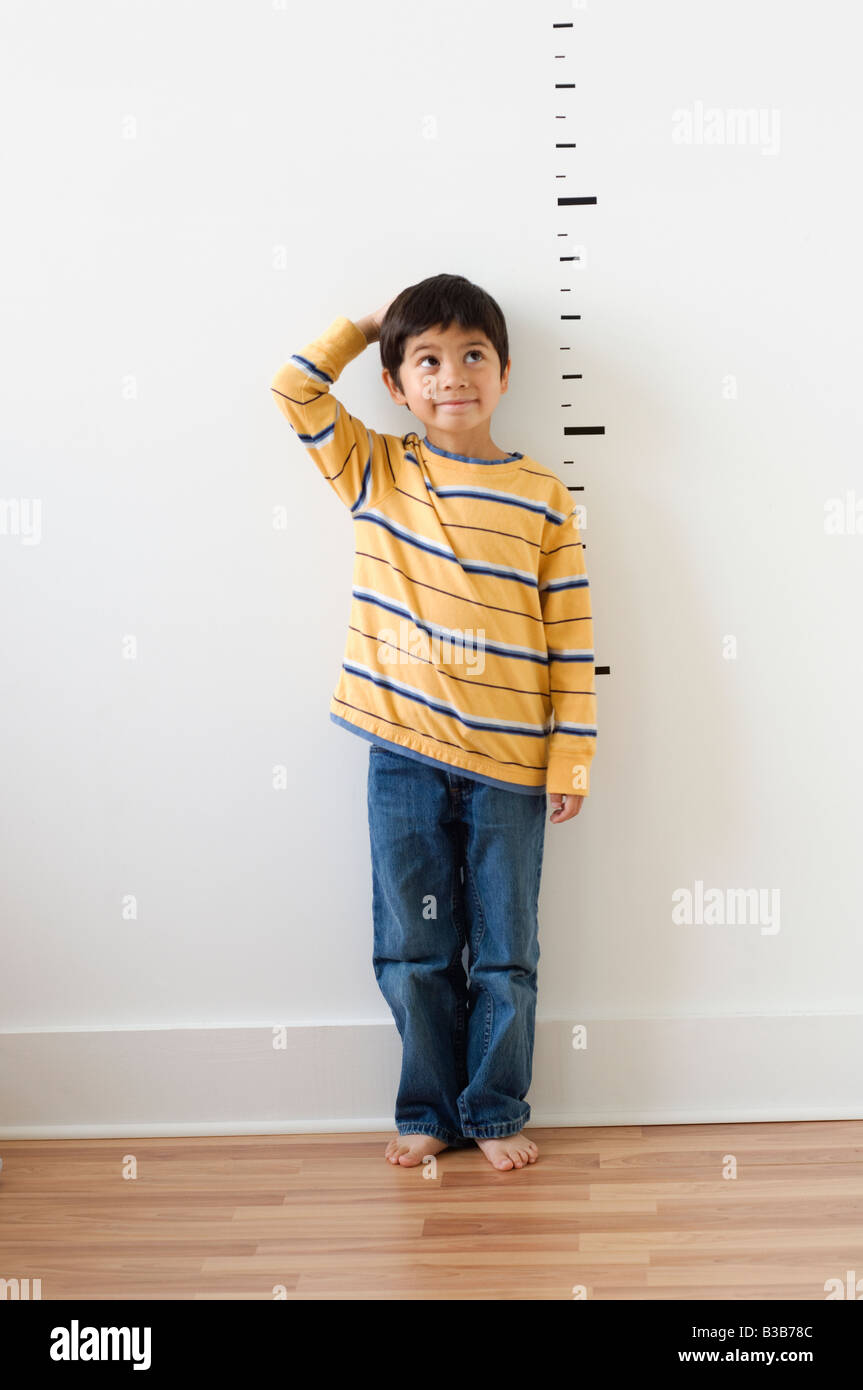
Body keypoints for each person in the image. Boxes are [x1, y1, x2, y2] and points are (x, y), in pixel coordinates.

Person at [270, 273, 597, 1171]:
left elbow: (570, 631)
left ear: (502, 371)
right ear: (396, 382)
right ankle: (427, 1109)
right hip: (402, 753)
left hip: (510, 766)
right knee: (414, 947)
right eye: (427, 360)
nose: (452, 375)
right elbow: (293, 388)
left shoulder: (541, 495)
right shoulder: (376, 468)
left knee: (505, 952)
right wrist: (368, 323)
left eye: (472, 356)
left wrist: (570, 756)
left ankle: (493, 1111)